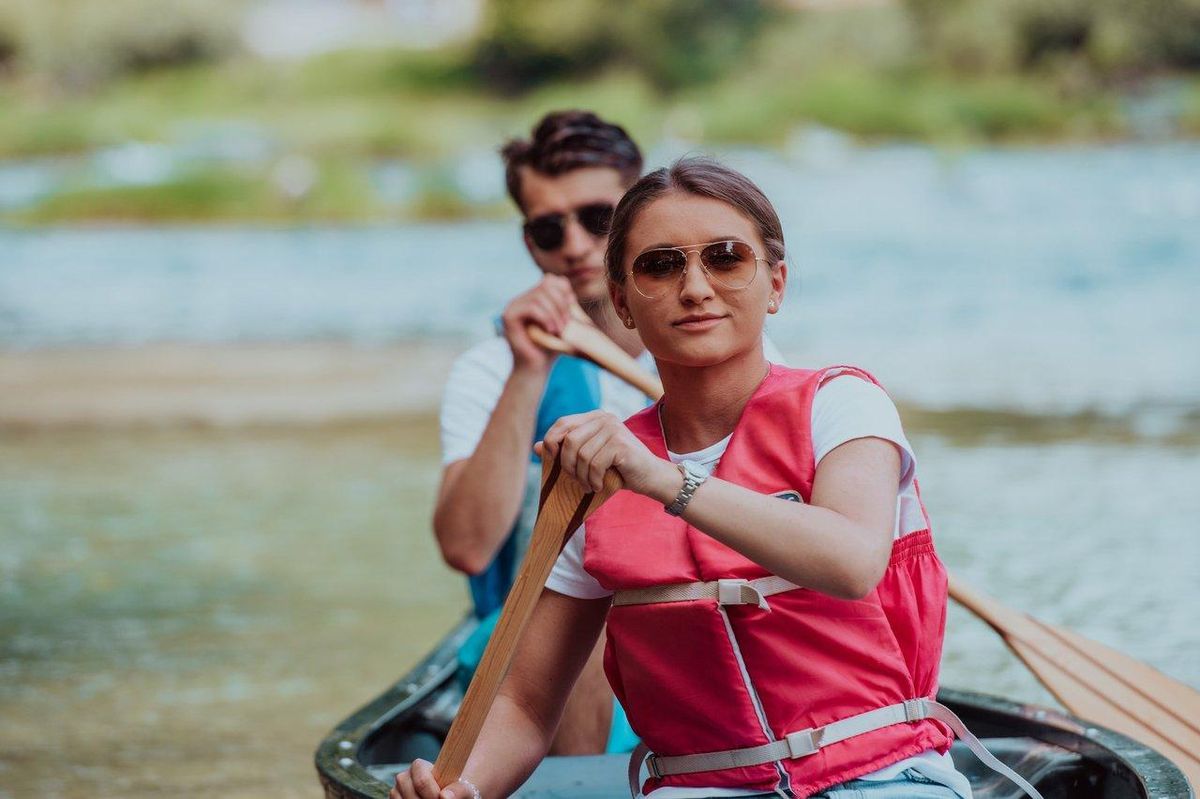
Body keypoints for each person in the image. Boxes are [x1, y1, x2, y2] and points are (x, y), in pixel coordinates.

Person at [398, 158, 1044, 799]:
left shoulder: (841, 404)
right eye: (660, 266)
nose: (696, 287)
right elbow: (527, 702)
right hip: (699, 786)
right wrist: (465, 787)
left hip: (884, 777)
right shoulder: (598, 474)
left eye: (727, 258)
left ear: (776, 284)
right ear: (621, 302)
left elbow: (851, 562)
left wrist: (663, 480)